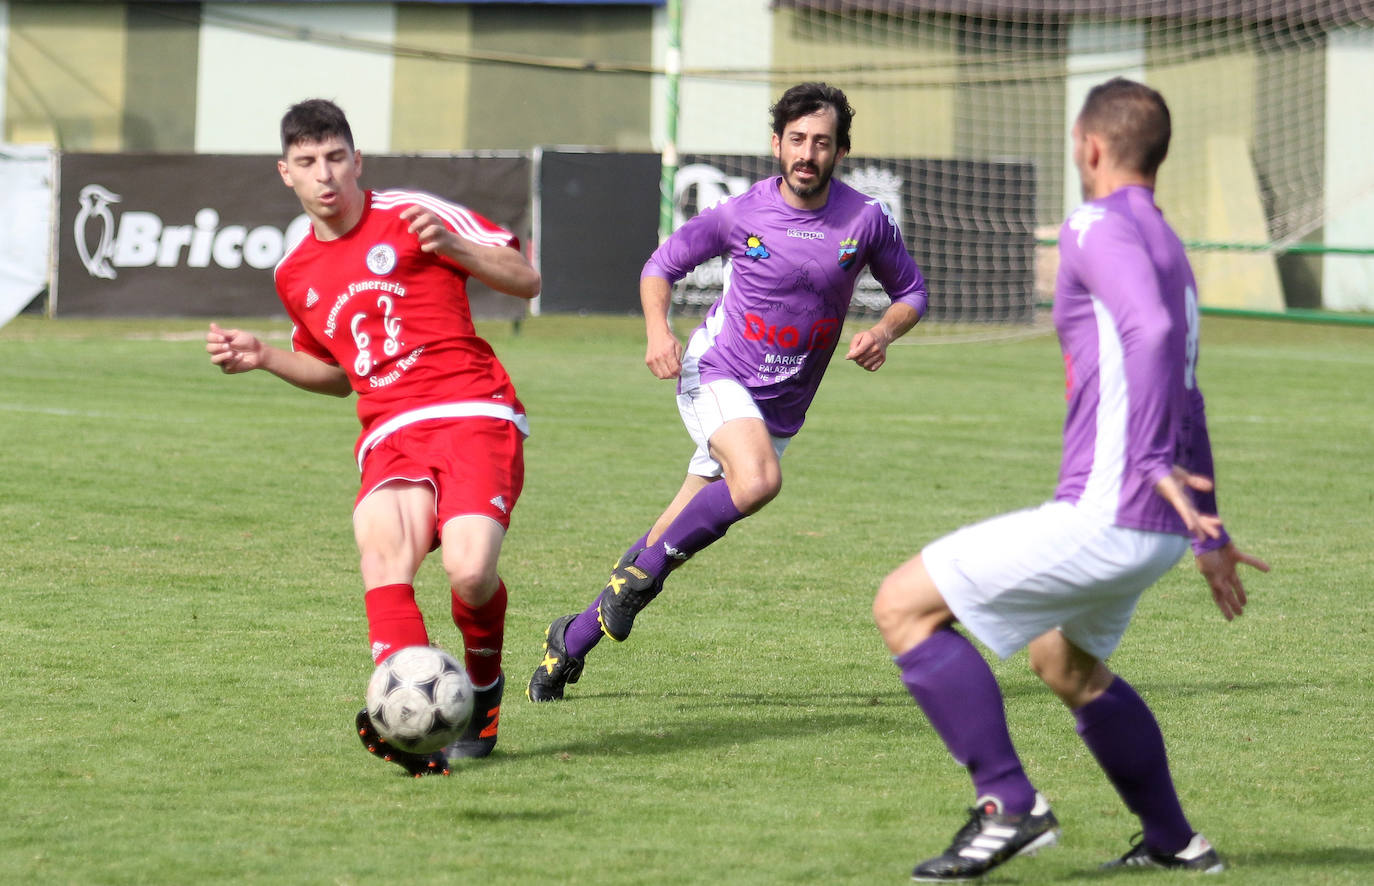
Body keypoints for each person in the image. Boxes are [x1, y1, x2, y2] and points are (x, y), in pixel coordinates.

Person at [871, 77, 1271, 881]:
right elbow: (1187, 386)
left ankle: (1008, 803)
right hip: (1155, 524)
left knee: (902, 606)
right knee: (1068, 665)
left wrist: (1152, 463)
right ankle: (1174, 840)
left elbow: (1152, 336)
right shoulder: (1169, 246)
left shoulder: (1091, 223)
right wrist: (1211, 526)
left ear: (1090, 146)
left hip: (1112, 508)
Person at [527, 81, 930, 703]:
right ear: (776, 143)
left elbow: (913, 294)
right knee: (758, 482)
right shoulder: (742, 213)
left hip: (780, 409)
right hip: (717, 371)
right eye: (796, 139)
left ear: (841, 152)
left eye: (822, 142)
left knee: (670, 534)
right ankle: (641, 577)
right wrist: (658, 332)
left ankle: (569, 641)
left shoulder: (866, 220)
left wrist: (883, 330)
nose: (807, 152)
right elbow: (660, 265)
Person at [206, 99, 540, 776]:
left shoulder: (411, 211)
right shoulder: (293, 272)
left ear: (356, 161)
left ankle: (481, 690)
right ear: (286, 173)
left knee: (470, 573)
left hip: (473, 408)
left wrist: (455, 248)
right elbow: (335, 375)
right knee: (381, 559)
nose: (324, 174)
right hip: (388, 432)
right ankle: (417, 734)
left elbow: (526, 279)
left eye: (335, 158)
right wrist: (267, 356)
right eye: (307, 163)